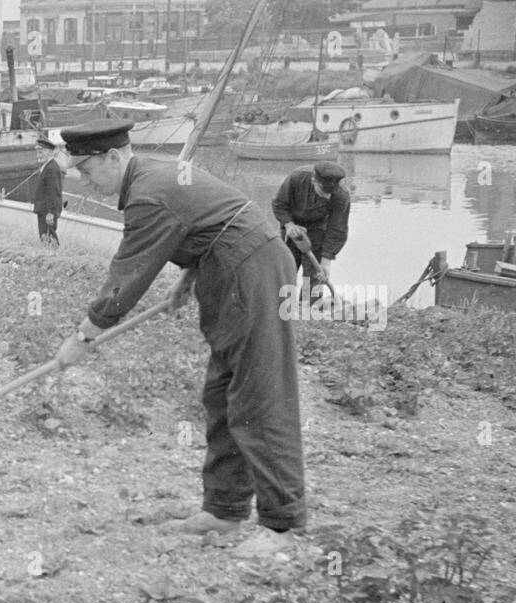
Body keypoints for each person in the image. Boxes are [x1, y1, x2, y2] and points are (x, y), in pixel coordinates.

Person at [52, 119, 306, 557]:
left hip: (252, 272)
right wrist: (187, 278)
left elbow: (127, 276)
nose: (84, 180)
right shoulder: (153, 177)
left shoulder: (148, 194)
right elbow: (208, 220)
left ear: (112, 157)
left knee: (258, 396)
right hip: (227, 268)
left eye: (87, 170)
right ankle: (224, 510)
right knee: (222, 393)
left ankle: (282, 525)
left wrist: (83, 337)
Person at [272, 161, 350, 306]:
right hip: (292, 229)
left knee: (313, 279)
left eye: (330, 193)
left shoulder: (341, 195)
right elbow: (279, 204)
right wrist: (289, 225)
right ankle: (280, 310)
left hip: (318, 231)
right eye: (323, 191)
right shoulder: (296, 178)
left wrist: (326, 263)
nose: (327, 196)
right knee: (285, 272)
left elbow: (337, 229)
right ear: (314, 180)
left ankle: (308, 310)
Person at [33, 135, 66, 246]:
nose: (38, 155)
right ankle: (50, 253)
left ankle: (54, 254)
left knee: (49, 237)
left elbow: (54, 193)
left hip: (47, 211)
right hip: (44, 210)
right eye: (37, 152)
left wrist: (51, 213)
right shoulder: (47, 167)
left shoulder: (51, 168)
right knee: (45, 237)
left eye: (40, 152)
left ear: (49, 153)